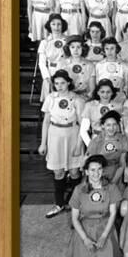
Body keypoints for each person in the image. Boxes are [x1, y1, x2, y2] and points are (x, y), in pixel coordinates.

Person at [38, 70, 85, 219]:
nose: (59, 86)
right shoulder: (51, 98)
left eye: (62, 83)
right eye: (56, 83)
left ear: (69, 83)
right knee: (58, 172)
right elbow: (45, 122)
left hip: (72, 134)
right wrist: (43, 143)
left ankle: (75, 202)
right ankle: (59, 204)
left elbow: (82, 124)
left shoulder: (77, 99)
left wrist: (79, 144)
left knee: (74, 172)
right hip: (55, 135)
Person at [67, 155, 122, 257]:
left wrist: (103, 237)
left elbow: (113, 214)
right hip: (85, 229)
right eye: (92, 170)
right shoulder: (78, 189)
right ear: (86, 172)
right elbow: (75, 219)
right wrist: (85, 239)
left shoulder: (111, 188)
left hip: (105, 227)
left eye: (99, 169)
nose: (96, 173)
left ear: (103, 171)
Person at [37, 14, 68, 102]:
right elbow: (42, 63)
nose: (56, 27)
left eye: (59, 24)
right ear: (49, 26)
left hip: (66, 71)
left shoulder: (68, 41)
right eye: (53, 24)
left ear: (63, 25)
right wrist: (47, 78)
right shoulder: (45, 42)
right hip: (51, 73)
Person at [59, 35, 95, 100]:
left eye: (78, 47)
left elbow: (92, 88)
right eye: (72, 47)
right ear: (68, 48)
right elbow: (60, 85)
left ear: (83, 48)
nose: (75, 50)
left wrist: (87, 97)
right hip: (67, 97)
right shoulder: (63, 64)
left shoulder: (90, 65)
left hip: (84, 97)